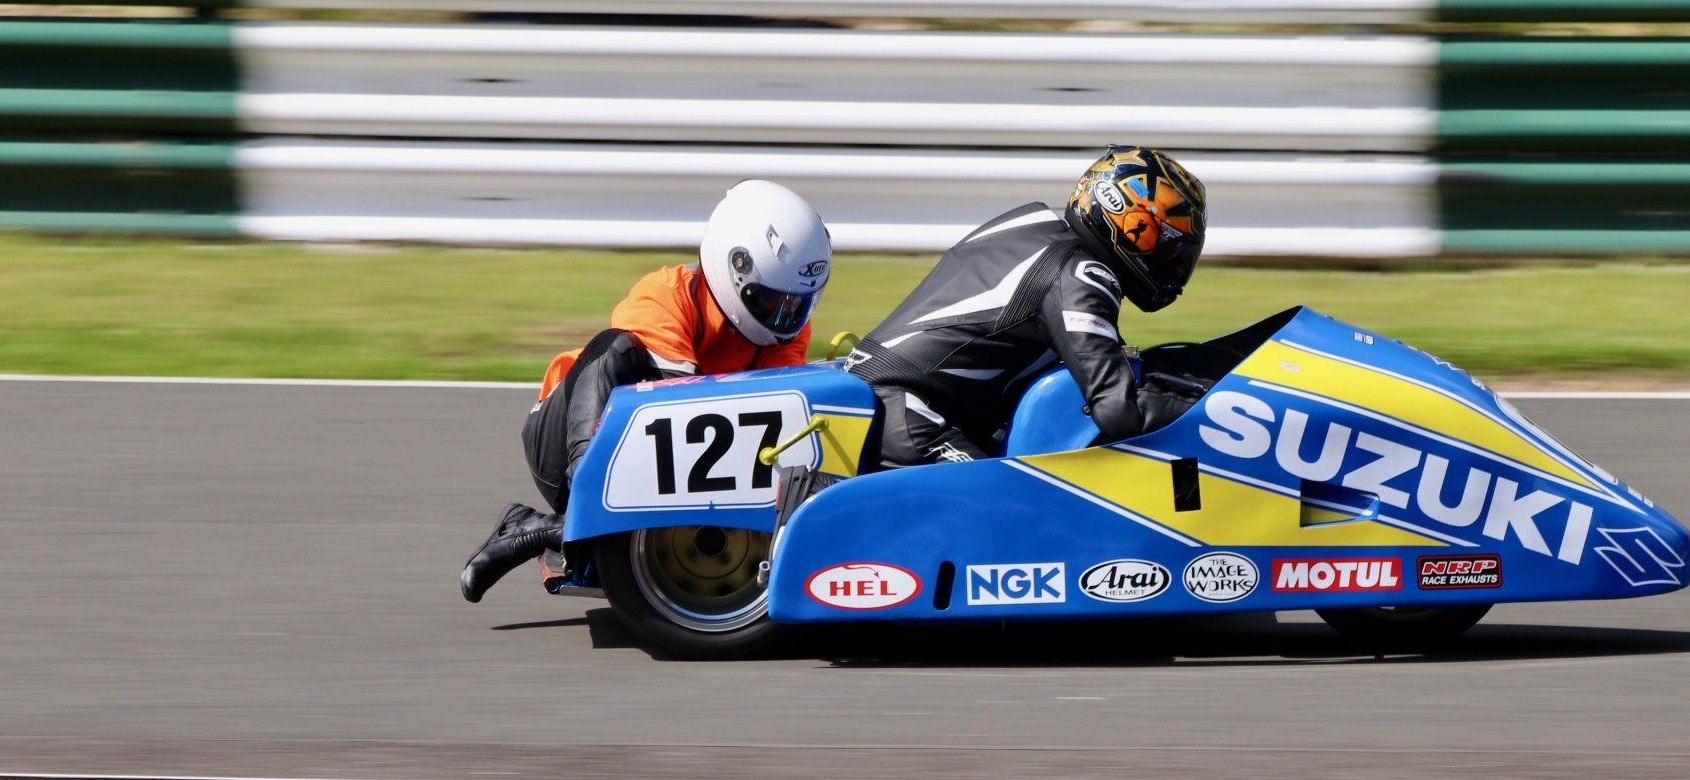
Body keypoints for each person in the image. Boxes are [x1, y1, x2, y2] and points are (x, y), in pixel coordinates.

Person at [460, 180, 832, 602]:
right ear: (734, 268)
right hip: (563, 444)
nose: (785, 318)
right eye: (770, 302)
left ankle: (543, 528)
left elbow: (772, 421)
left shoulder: (787, 335)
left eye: (797, 305)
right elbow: (676, 415)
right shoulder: (665, 297)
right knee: (616, 345)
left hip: (670, 464)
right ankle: (581, 505)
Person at [845, 145, 1208, 467]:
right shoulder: (1081, 275)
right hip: (912, 415)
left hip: (889, 399)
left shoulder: (1034, 225)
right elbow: (1119, 410)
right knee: (1016, 513)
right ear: (1133, 225)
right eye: (1169, 243)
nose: (1174, 262)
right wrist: (1213, 408)